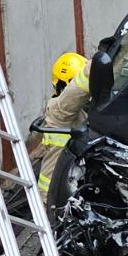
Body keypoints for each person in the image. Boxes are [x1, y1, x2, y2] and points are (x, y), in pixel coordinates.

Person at [35, 52, 88, 194]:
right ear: (66, 85)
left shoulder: (80, 110)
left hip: (71, 184)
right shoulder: (60, 111)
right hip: (53, 199)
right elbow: (81, 86)